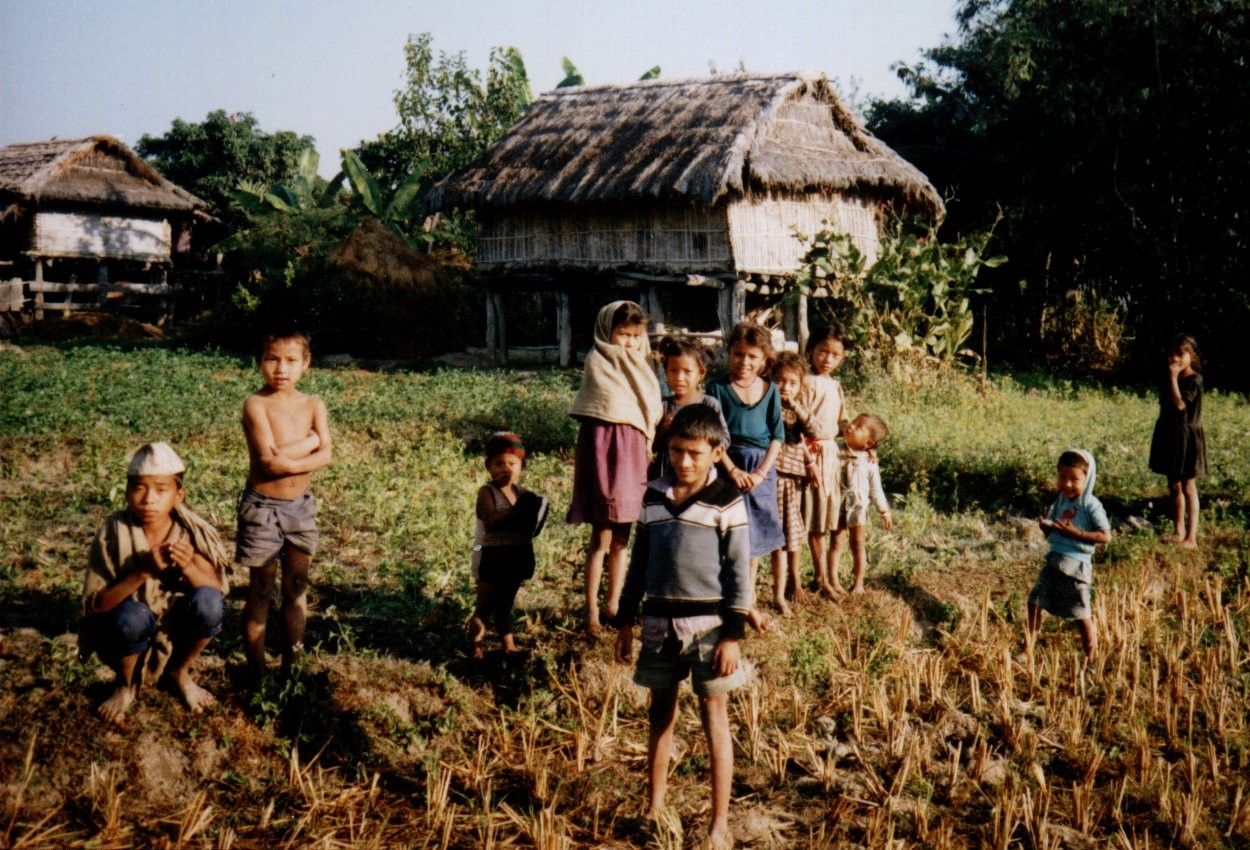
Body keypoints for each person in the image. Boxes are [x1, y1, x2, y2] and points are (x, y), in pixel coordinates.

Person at [613, 404, 750, 850]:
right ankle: (653, 808)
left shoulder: (727, 500)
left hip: (710, 629)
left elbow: (738, 573)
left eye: (694, 452)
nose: (684, 462)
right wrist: (625, 621)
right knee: (659, 714)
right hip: (658, 624)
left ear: (716, 451)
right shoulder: (653, 497)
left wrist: (732, 635)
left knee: (714, 717)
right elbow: (639, 563)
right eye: (676, 451)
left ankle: (719, 825)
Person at [79, 442, 230, 725]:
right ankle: (125, 684)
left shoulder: (190, 531)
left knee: (209, 603)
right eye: (139, 488)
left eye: (161, 490)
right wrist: (143, 570)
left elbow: (215, 591)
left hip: (175, 628)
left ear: (178, 495)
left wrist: (188, 566)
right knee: (132, 616)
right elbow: (97, 605)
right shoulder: (115, 531)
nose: (149, 499)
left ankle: (179, 673)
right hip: (127, 627)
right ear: (126, 492)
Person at [237, 325, 332, 681]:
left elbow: (328, 454)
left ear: (306, 363)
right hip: (262, 507)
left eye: (291, 360)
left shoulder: (313, 404)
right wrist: (308, 444)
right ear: (258, 362)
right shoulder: (255, 404)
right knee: (260, 589)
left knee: (296, 588)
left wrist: (291, 458)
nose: (281, 369)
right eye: (272, 359)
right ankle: (257, 672)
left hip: (300, 508)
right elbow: (268, 462)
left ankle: (293, 669)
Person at [567, 301, 663, 635]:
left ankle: (615, 605)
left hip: (633, 450)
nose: (630, 343)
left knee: (623, 533)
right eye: (623, 334)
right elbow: (603, 404)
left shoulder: (642, 366)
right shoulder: (599, 360)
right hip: (603, 449)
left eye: (636, 336)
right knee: (601, 535)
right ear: (608, 332)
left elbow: (649, 405)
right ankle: (591, 611)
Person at [706, 322, 784, 619]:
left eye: (753, 357)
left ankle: (747, 599)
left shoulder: (771, 390)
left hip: (761, 470)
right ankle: (724, 596)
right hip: (727, 466)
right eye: (739, 354)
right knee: (727, 533)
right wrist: (732, 470)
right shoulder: (718, 388)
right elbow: (713, 435)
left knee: (755, 537)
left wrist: (762, 472)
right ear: (729, 354)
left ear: (764, 359)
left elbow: (778, 436)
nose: (744, 362)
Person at [1027, 449, 1111, 664]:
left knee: (1081, 615)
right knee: (1035, 602)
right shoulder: (1060, 502)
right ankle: (1028, 649)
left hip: (1076, 567)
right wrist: (1046, 527)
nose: (1067, 484)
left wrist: (1076, 533)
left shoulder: (1090, 505)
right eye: (1062, 477)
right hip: (1055, 561)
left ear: (1088, 479)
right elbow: (1054, 532)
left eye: (1075, 479)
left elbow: (1105, 536)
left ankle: (1091, 659)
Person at [469, 431, 549, 658]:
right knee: (483, 606)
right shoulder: (487, 492)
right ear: (488, 466)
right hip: (487, 552)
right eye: (498, 463)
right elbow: (490, 520)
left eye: (511, 463)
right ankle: (476, 647)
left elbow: (531, 526)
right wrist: (518, 512)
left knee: (504, 606)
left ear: (521, 466)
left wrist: (531, 509)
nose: (505, 468)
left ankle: (509, 646)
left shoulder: (522, 494)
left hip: (516, 556)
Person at [801, 322, 852, 597]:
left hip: (833, 455)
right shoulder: (807, 383)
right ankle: (821, 578)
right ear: (811, 350)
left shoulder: (835, 385)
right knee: (817, 518)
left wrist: (862, 439)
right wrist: (808, 458)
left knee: (835, 518)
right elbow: (800, 423)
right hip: (813, 454)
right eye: (823, 352)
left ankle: (832, 576)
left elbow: (843, 421)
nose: (828, 359)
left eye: (835, 355)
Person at [768, 352, 819, 616]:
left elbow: (815, 430)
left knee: (793, 529)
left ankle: (795, 580)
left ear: (800, 386)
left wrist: (796, 406)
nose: (785, 387)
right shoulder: (768, 404)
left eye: (792, 383)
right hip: (773, 474)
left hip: (793, 477)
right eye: (779, 380)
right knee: (777, 532)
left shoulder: (798, 409)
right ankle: (778, 588)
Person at [1148, 334, 1206, 548]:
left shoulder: (1194, 380)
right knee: (1174, 485)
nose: (1174, 358)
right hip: (1170, 435)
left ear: (1191, 356)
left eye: (1180, 354)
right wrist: (1170, 378)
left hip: (1187, 437)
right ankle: (1178, 530)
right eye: (1171, 354)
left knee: (1188, 486)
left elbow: (1181, 405)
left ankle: (1191, 538)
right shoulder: (1168, 377)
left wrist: (1173, 379)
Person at [831, 413, 893, 595]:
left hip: (858, 509)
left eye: (858, 427)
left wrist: (884, 510)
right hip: (837, 505)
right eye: (853, 422)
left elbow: (876, 489)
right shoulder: (835, 452)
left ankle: (859, 583)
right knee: (836, 541)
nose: (850, 426)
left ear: (868, 444)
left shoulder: (869, 463)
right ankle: (833, 581)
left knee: (857, 543)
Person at [651, 335, 728, 479]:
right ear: (665, 371)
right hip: (667, 470)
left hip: (699, 469)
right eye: (673, 370)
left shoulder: (709, 404)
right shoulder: (663, 405)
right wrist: (663, 428)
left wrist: (702, 431)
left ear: (701, 373)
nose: (679, 377)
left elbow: (724, 440)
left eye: (687, 372)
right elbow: (652, 446)